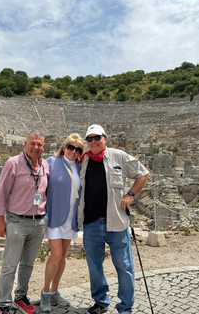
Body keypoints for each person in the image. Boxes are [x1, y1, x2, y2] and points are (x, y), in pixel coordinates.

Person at [78, 124, 150, 314]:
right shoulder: (83, 160)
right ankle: (100, 301)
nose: (93, 142)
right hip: (91, 223)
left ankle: (125, 307)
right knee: (94, 266)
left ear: (104, 138)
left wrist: (130, 195)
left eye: (97, 138)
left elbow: (143, 174)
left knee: (124, 266)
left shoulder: (118, 156)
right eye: (90, 139)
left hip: (116, 222)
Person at [0, 130, 49, 314]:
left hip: (39, 221)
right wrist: (0, 220)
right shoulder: (13, 164)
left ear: (43, 147)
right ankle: (4, 303)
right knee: (10, 264)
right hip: (17, 220)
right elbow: (1, 193)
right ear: (25, 144)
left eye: (40, 144)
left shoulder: (45, 166)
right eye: (33, 143)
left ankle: (21, 296)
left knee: (28, 263)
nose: (36, 147)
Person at [41, 133, 85, 312]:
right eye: (70, 147)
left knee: (63, 256)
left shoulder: (81, 167)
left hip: (70, 218)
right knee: (56, 255)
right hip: (54, 216)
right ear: (64, 147)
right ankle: (45, 292)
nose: (73, 151)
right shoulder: (52, 162)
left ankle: (54, 291)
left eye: (77, 149)